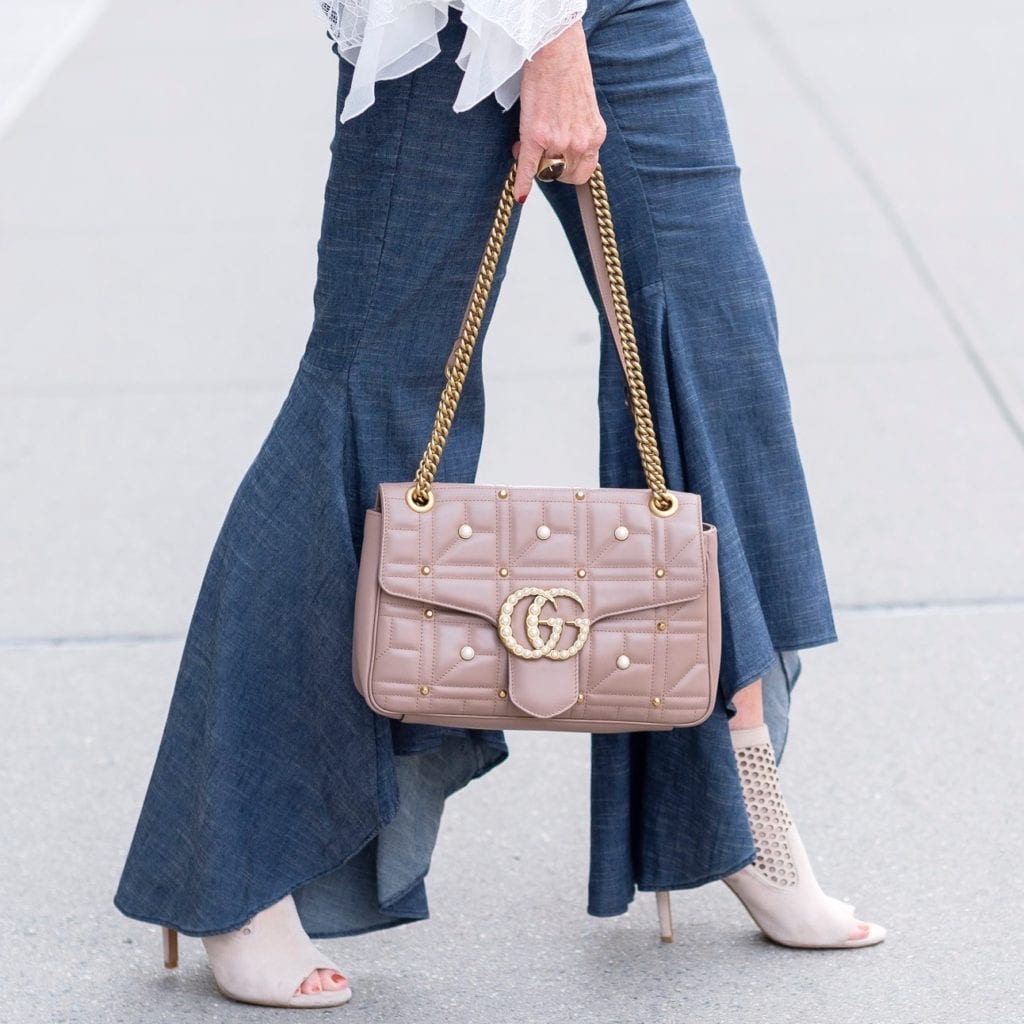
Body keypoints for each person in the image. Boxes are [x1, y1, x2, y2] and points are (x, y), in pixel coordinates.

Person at [114, 0, 885, 1009]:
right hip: (447, 21)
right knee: (375, 385)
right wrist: (552, 40)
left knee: (713, 353)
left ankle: (738, 808)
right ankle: (236, 869)